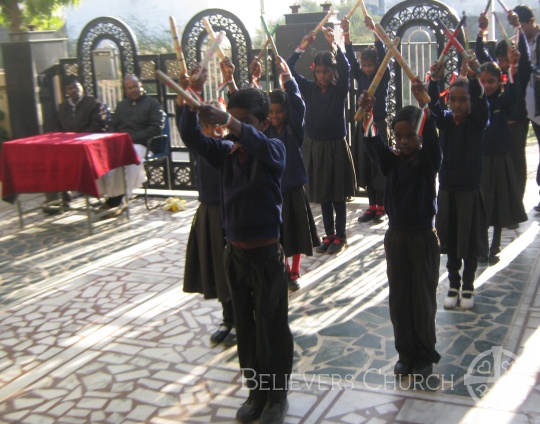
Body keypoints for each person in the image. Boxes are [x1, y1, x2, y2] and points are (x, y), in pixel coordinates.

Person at [179, 88, 293, 424]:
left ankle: (276, 396)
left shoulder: (273, 150)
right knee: (245, 327)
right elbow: (190, 136)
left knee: (272, 327)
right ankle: (256, 392)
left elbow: (259, 143)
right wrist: (187, 107)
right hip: (236, 255)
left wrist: (230, 121)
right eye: (233, 120)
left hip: (267, 256)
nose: (236, 128)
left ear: (263, 122)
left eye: (247, 122)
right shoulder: (226, 154)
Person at [360, 78, 441, 378]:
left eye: (410, 136)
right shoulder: (390, 163)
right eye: (399, 136)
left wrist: (425, 107)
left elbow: (431, 140)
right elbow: (372, 142)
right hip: (396, 238)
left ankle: (424, 353)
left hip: (422, 239)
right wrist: (368, 114)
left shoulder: (428, 162)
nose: (404, 141)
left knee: (422, 299)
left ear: (419, 136)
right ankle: (405, 352)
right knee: (400, 299)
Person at [178, 64, 236, 347]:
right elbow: (188, 132)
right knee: (218, 268)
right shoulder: (204, 144)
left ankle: (241, 317)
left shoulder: (226, 148)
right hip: (209, 214)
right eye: (203, 125)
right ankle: (229, 318)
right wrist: (192, 93)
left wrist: (228, 82)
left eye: (212, 124)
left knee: (234, 269)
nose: (207, 130)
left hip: (231, 214)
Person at [287, 26, 356, 254]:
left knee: (337, 195)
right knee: (323, 195)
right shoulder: (307, 89)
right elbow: (287, 68)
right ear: (313, 71)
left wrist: (334, 44)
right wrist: (301, 47)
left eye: (326, 71)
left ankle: (342, 236)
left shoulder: (339, 90)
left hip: (335, 146)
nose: (322, 76)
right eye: (318, 72)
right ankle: (329, 235)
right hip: (315, 147)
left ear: (332, 72)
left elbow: (346, 68)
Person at [428, 57, 489, 310]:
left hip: (469, 191)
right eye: (453, 100)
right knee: (451, 240)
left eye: (463, 100)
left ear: (472, 101)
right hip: (448, 190)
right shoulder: (445, 121)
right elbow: (431, 104)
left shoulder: (477, 123)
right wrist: (434, 80)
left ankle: (469, 286)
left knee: (470, 241)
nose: (457, 104)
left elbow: (482, 103)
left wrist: (473, 78)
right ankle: (454, 283)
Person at [265, 56, 320, 291]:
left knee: (295, 231)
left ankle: (295, 270)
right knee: (277, 233)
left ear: (286, 112)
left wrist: (288, 78)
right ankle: (283, 268)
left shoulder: (293, 130)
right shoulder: (264, 131)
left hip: (294, 188)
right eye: (271, 112)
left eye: (279, 111)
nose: (275, 116)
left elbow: (299, 104)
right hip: (272, 191)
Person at [476, 11, 532, 222]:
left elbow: (523, 59)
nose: (504, 62)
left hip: (516, 124)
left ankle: (514, 207)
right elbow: (482, 57)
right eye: (500, 59)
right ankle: (498, 209)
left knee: (516, 167)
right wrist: (481, 31)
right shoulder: (496, 75)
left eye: (507, 58)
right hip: (497, 131)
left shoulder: (519, 72)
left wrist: (518, 30)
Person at [477, 59, 528, 264]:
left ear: (500, 81)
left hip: (500, 157)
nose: (487, 86)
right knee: (481, 204)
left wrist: (513, 70)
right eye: (482, 81)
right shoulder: (478, 101)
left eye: (491, 81)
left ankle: (495, 245)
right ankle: (481, 246)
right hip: (481, 158)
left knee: (498, 201)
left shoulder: (503, 100)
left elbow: (515, 92)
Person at [342, 15, 391, 224]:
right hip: (363, 124)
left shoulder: (383, 75)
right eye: (365, 65)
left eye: (370, 65)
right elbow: (350, 59)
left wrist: (374, 30)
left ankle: (382, 206)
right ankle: (371, 206)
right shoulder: (360, 75)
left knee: (380, 165)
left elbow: (383, 54)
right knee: (366, 164)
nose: (366, 68)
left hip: (378, 123)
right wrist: (346, 33)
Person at [43, 76, 109, 214]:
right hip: (67, 147)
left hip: (88, 146)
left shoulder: (94, 104)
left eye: (76, 87)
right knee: (50, 161)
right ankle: (57, 199)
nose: (74, 91)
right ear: (66, 91)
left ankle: (95, 195)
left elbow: (99, 126)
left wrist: (79, 139)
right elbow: (56, 127)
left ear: (82, 87)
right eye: (70, 88)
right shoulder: (63, 107)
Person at [101, 75, 164, 217]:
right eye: (130, 88)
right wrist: (113, 137)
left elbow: (156, 128)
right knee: (103, 157)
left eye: (135, 86)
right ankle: (109, 195)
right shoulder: (122, 105)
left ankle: (117, 200)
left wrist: (131, 138)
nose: (133, 90)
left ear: (141, 85)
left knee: (128, 157)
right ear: (125, 90)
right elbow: (113, 125)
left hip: (142, 144)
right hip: (121, 143)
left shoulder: (153, 104)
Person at [513, 5, 540, 212]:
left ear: (531, 21)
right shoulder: (520, 42)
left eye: (522, 26)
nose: (520, 30)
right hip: (526, 106)